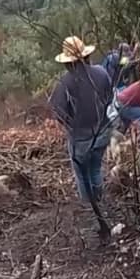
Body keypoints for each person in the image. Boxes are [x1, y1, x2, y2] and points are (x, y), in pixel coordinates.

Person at [48, 36, 115, 214]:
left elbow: (59, 113)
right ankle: (100, 201)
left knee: (82, 175)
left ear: (68, 62)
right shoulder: (101, 73)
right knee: (95, 168)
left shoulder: (65, 83)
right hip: (102, 132)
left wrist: (73, 124)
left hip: (80, 139)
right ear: (85, 56)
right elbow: (110, 98)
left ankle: (90, 209)